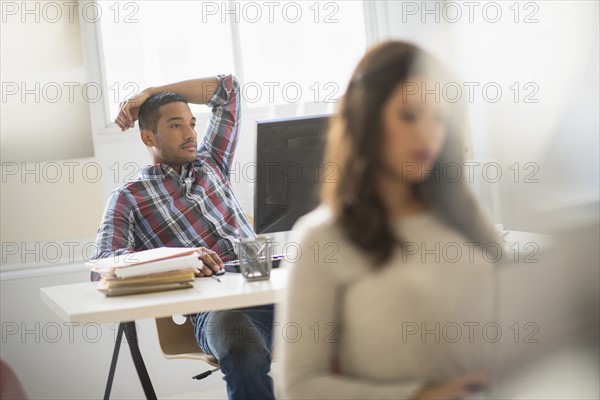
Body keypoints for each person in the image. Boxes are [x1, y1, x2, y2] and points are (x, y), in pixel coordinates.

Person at [278, 41, 504, 399]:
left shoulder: (465, 213)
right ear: (368, 118)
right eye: (410, 115)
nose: (428, 133)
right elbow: (301, 386)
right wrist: (423, 395)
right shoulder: (322, 239)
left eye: (440, 119)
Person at [90, 75, 275, 400]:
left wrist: (151, 92)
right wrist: (180, 260)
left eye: (191, 123)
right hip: (220, 312)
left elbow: (227, 90)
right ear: (148, 136)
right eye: (176, 125)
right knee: (241, 347)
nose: (191, 133)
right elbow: (104, 266)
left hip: (273, 289)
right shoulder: (129, 198)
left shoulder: (212, 163)